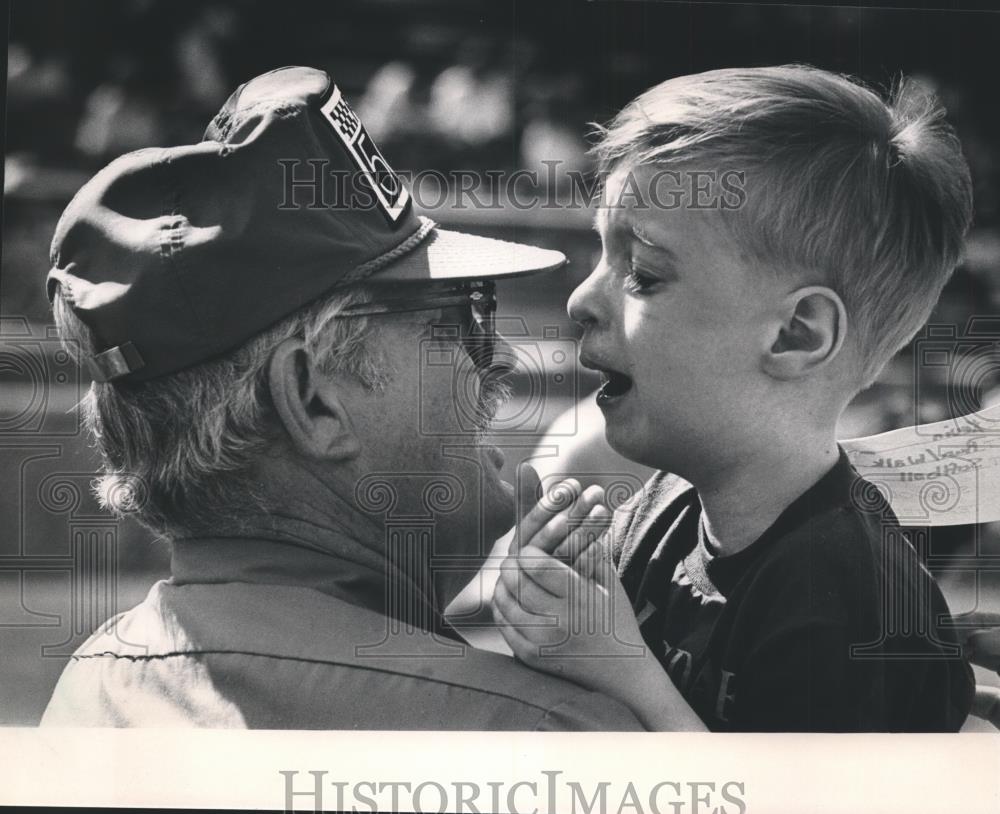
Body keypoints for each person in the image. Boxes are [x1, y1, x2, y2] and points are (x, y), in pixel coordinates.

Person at [39, 66, 644, 730]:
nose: (496, 353)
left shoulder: (89, 689)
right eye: (458, 318)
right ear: (312, 398)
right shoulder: (533, 735)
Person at [491, 65, 977, 732]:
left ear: (796, 333)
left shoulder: (843, 601)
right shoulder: (660, 511)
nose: (580, 300)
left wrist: (619, 666)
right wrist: (561, 602)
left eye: (643, 273)